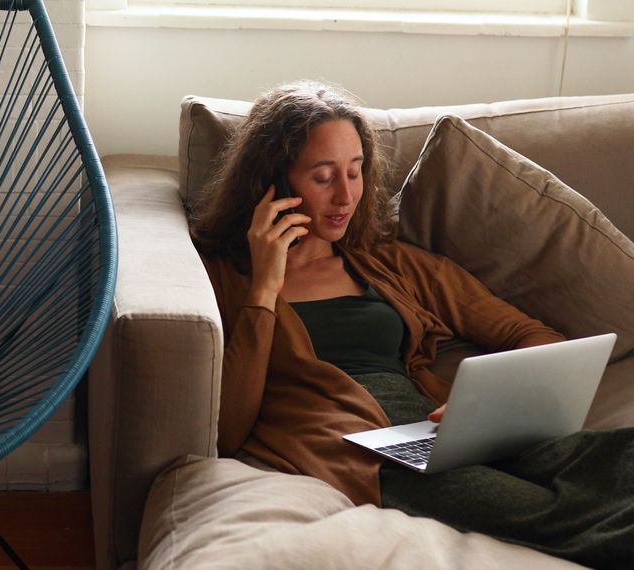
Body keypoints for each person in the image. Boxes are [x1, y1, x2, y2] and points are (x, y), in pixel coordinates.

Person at [189, 80, 634, 569]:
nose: (345, 195)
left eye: (356, 173)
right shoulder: (221, 279)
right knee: (554, 515)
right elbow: (228, 430)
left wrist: (478, 407)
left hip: (441, 430)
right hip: (363, 451)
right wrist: (264, 289)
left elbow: (531, 336)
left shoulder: (394, 265)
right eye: (322, 177)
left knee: (620, 459)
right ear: (272, 183)